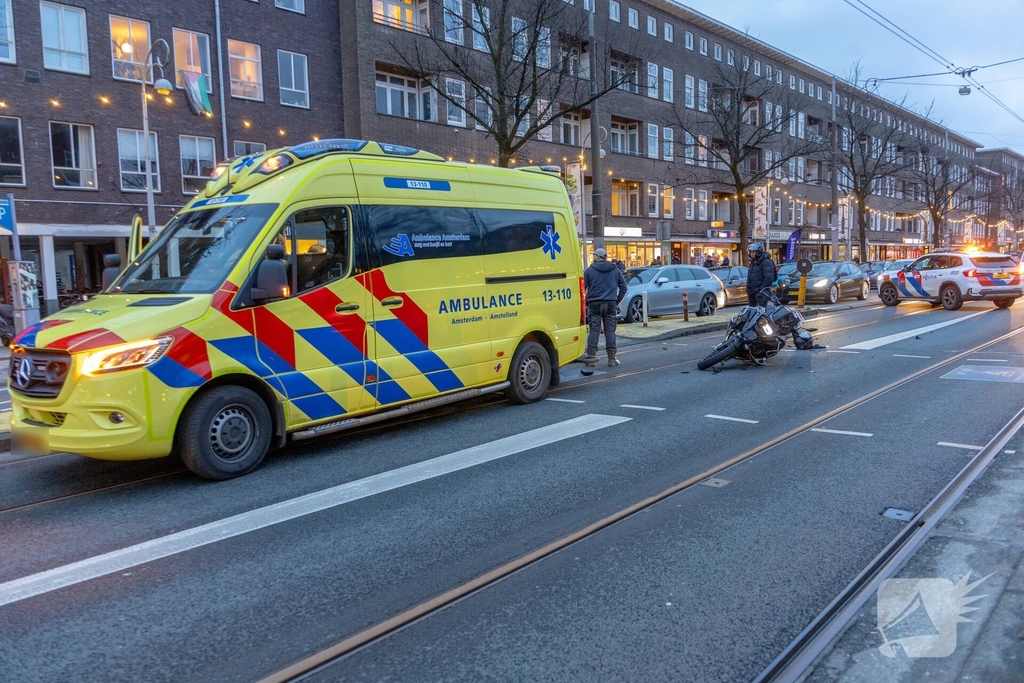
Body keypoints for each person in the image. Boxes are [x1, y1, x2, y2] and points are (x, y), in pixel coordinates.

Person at [582, 248, 629, 367]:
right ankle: (612, 359)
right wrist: (616, 301)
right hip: (610, 304)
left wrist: (587, 302)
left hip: (594, 304)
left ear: (597, 257)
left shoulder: (589, 271)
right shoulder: (615, 270)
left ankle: (592, 359)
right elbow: (624, 287)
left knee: (594, 330)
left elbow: (583, 289)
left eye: (594, 255)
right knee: (610, 331)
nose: (593, 257)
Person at [745, 241, 776, 307]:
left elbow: (768, 279)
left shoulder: (766, 262)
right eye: (750, 252)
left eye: (753, 252)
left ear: (758, 252)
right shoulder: (753, 263)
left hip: (760, 293)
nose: (751, 254)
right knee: (752, 313)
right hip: (752, 292)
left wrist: (760, 291)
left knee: (761, 312)